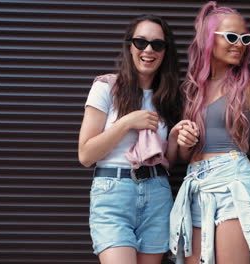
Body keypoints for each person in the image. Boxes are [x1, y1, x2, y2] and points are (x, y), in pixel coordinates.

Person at [170, 1, 250, 264]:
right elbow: (185, 154)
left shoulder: (249, 83)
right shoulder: (191, 90)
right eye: (231, 36)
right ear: (209, 39)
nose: (239, 44)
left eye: (245, 38)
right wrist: (183, 139)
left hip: (232, 182)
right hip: (195, 184)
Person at [78, 14, 187, 264]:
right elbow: (85, 155)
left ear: (165, 51)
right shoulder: (106, 87)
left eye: (157, 44)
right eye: (141, 42)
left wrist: (176, 139)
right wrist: (127, 122)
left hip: (158, 193)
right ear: (130, 46)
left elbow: (169, 160)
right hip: (113, 192)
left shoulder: (170, 96)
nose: (148, 50)